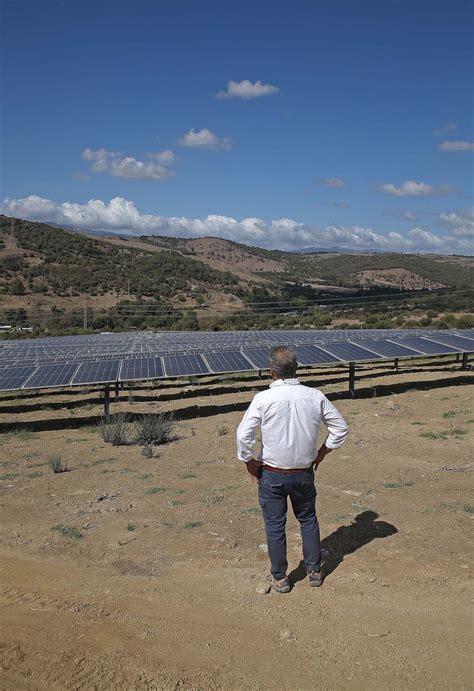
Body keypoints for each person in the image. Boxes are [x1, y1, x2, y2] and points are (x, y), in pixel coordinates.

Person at [236, 346, 349, 593]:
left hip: (273, 474)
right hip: (304, 473)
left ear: (271, 372)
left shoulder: (263, 399)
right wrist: (322, 453)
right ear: (296, 369)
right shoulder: (315, 396)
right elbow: (340, 428)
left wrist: (249, 461)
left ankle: (280, 577)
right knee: (308, 520)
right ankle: (314, 570)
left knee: (275, 525)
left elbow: (243, 434)